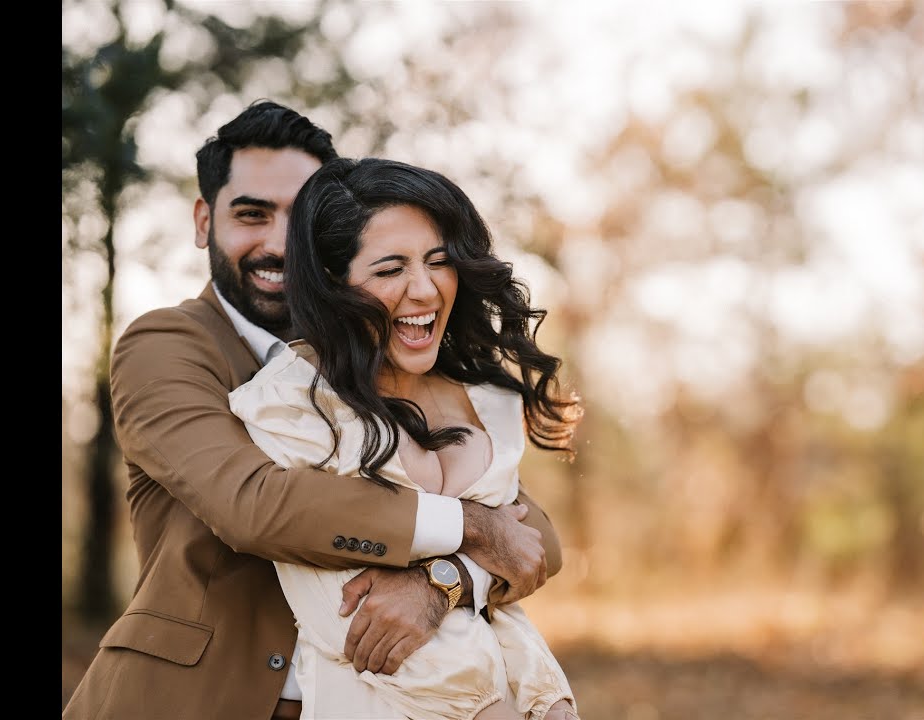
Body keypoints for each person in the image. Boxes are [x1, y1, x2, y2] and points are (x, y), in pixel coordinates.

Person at [63, 100, 566, 720]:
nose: (277, 242)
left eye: (296, 217)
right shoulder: (166, 345)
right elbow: (252, 504)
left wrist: (445, 584)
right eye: (251, 214)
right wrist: (472, 529)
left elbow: (531, 531)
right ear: (203, 221)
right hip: (201, 699)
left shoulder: (385, 349)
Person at [228, 157, 584, 719]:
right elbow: (353, 621)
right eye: (390, 269)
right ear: (332, 282)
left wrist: (548, 699)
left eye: (439, 261)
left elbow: (518, 564)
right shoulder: (293, 406)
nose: (424, 289)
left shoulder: (487, 397)